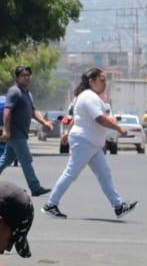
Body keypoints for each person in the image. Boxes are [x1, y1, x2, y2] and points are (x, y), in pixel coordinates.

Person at [44, 68, 137, 219]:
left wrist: (69, 133)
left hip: (91, 142)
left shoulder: (91, 97)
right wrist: (118, 128)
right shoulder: (89, 96)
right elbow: (99, 118)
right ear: (91, 81)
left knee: (104, 174)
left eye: (105, 80)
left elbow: (79, 118)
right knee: (71, 173)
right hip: (85, 141)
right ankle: (51, 204)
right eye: (101, 80)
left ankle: (118, 206)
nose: (104, 83)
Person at [0, 66, 53, 197]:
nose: (26, 77)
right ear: (17, 77)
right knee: (26, 159)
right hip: (15, 133)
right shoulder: (14, 92)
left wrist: (44, 122)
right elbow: (7, 111)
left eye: (28, 75)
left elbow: (33, 111)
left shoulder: (27, 93)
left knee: (6, 158)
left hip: (21, 133)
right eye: (23, 75)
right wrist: (6, 130)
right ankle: (35, 187)